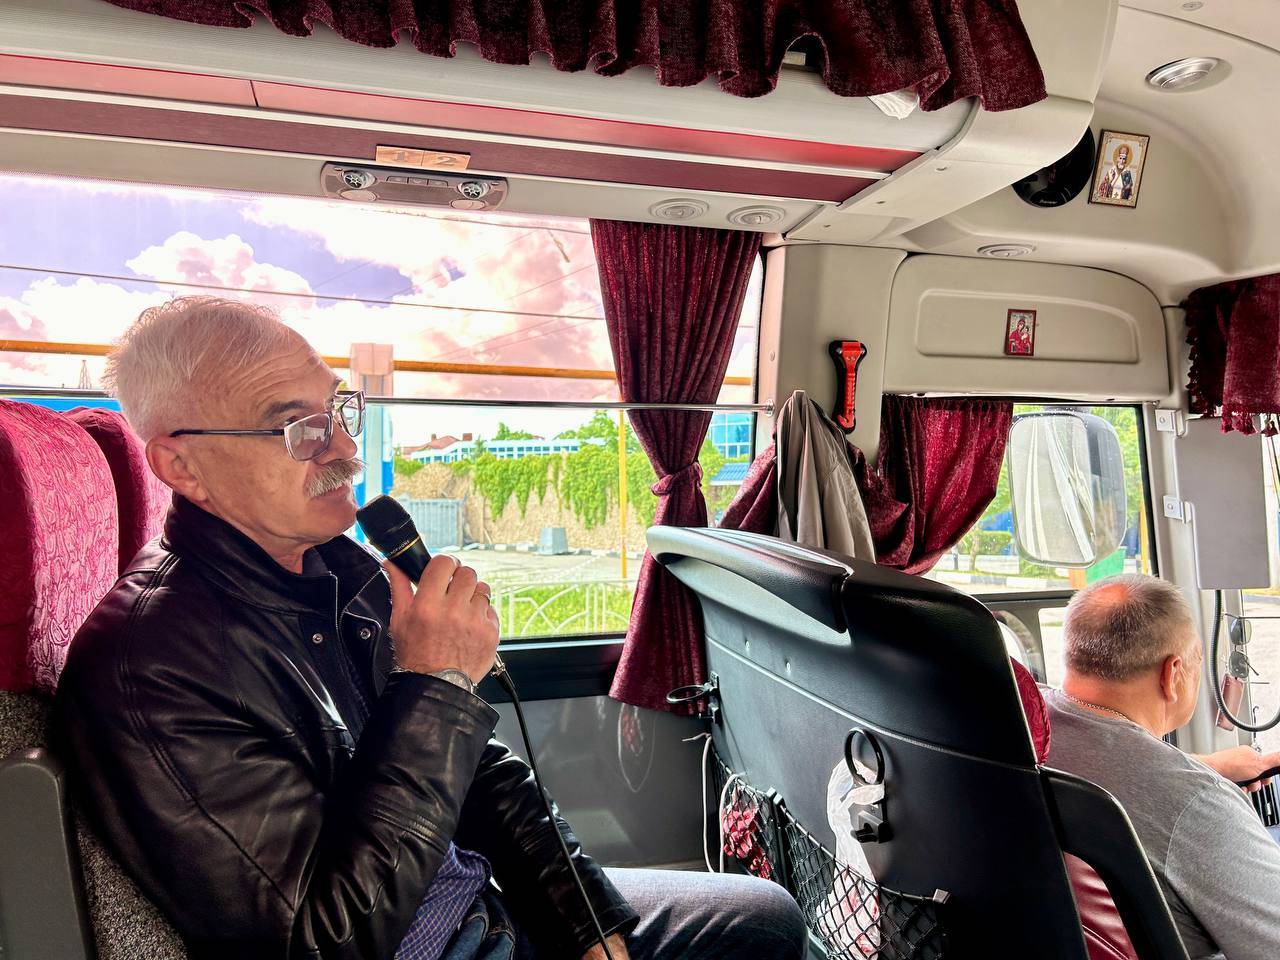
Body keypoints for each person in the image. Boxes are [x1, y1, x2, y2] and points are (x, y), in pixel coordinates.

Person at [52, 297, 806, 960]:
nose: (344, 450)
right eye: (296, 428)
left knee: (763, 917)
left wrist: (587, 927)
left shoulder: (338, 568)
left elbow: (478, 770)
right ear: (182, 466)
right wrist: (437, 683)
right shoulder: (151, 668)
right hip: (418, 940)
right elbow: (325, 940)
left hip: (472, 898)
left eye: (338, 411)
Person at [1043, 574, 1280, 960]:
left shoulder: (1022, 725)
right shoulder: (1199, 804)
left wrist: (1204, 765)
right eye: (1198, 661)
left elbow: (1112, 765)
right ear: (1173, 674)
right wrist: (1197, 783)